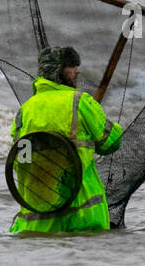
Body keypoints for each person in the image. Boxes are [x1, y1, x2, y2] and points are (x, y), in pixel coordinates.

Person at [8, 46, 123, 234]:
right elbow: (112, 143)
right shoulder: (80, 102)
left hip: (37, 223)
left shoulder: (25, 110)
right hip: (82, 219)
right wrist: (106, 122)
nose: (77, 71)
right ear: (57, 70)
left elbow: (21, 161)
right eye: (71, 66)